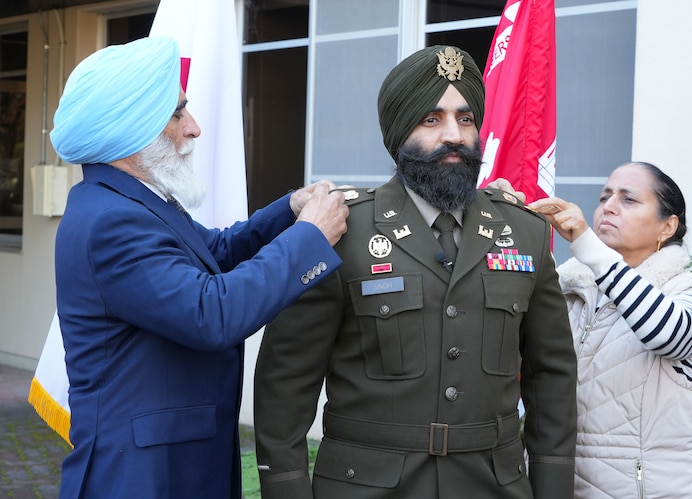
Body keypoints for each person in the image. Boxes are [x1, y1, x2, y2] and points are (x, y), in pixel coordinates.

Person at [253, 45, 577, 499]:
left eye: (465, 119)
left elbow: (551, 376)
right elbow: (285, 384)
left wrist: (553, 486)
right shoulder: (340, 230)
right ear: (399, 132)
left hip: (493, 486)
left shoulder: (522, 230)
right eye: (432, 120)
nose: (454, 135)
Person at [49, 36, 349, 498]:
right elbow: (212, 314)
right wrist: (309, 238)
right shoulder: (112, 220)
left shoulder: (131, 200)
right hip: (139, 478)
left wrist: (290, 209)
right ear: (130, 128)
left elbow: (217, 251)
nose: (193, 128)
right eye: (177, 113)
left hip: (174, 464)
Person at [528, 162, 692, 498]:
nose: (609, 206)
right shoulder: (568, 291)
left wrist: (590, 248)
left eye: (628, 200)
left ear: (667, 226)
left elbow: (672, 337)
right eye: (604, 197)